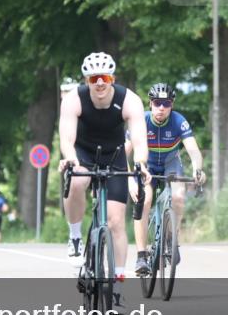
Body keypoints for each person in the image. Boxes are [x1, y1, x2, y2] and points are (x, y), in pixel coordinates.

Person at [58, 51, 149, 292]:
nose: (99, 83)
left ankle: (117, 283)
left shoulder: (130, 100)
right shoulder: (73, 99)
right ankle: (75, 237)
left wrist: (140, 163)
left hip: (115, 155)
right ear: (86, 80)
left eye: (105, 78)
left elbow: (139, 140)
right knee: (78, 181)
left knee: (116, 220)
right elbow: (67, 138)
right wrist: (71, 160)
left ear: (113, 79)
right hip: (83, 153)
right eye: (93, 78)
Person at [127, 83, 206, 276]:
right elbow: (124, 151)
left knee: (178, 196)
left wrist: (198, 169)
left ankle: (172, 240)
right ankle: (141, 255)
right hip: (148, 165)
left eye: (166, 103)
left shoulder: (179, 121)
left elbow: (194, 151)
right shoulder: (141, 121)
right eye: (157, 103)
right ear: (150, 103)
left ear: (172, 104)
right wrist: (131, 179)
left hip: (171, 163)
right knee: (144, 200)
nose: (161, 107)